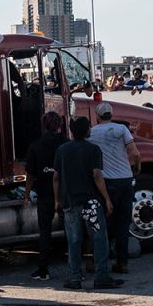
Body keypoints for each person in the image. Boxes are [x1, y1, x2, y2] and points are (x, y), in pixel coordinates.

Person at [54, 117, 123, 290]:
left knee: (74, 240)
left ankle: (75, 277)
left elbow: (55, 177)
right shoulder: (93, 149)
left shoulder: (62, 150)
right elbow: (97, 175)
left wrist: (57, 200)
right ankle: (101, 276)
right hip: (90, 203)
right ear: (87, 131)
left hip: (70, 201)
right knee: (99, 239)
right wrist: (106, 198)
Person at [87, 101, 140, 274]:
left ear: (97, 115)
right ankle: (122, 262)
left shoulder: (92, 133)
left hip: (107, 182)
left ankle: (100, 259)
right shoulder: (121, 129)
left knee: (105, 223)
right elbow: (135, 152)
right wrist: (137, 167)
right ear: (111, 114)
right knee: (123, 224)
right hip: (126, 179)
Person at [24, 112, 67, 280]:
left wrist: (26, 195)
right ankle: (76, 268)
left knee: (45, 232)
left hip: (44, 195)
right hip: (65, 194)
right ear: (59, 126)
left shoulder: (35, 146)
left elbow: (30, 175)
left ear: (43, 126)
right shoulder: (66, 145)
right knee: (72, 231)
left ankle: (43, 270)